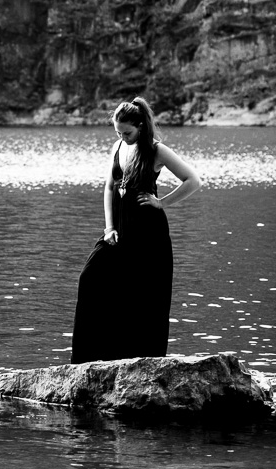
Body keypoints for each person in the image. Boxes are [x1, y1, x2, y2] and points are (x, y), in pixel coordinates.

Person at [70, 96, 202, 364]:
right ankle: (89, 360)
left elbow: (193, 180)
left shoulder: (156, 150)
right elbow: (109, 187)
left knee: (143, 296)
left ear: (140, 126)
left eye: (127, 132)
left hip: (148, 234)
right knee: (90, 278)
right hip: (118, 230)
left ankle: (142, 361)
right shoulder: (118, 146)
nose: (122, 137)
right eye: (118, 132)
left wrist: (161, 202)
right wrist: (109, 228)